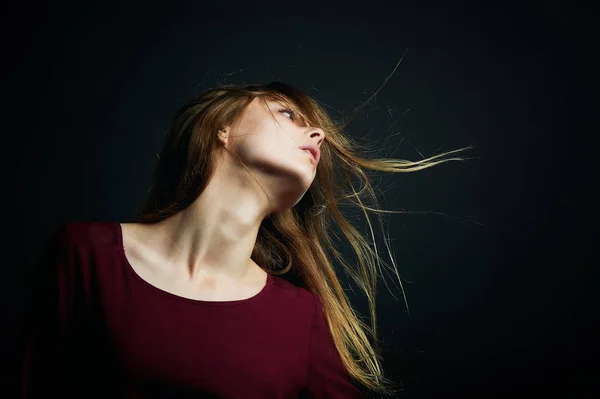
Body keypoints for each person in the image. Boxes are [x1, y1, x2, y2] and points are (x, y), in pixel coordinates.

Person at [12, 81, 471, 398]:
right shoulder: (87, 256)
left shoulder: (300, 317)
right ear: (222, 129)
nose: (317, 134)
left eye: (315, 129)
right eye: (288, 114)